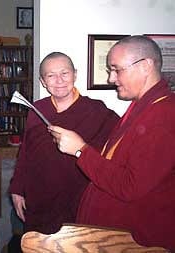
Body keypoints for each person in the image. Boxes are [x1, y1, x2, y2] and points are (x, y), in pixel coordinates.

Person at [49, 36, 175, 250]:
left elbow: (130, 186)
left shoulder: (164, 115)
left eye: (117, 70)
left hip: (137, 242)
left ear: (145, 66)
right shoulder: (143, 106)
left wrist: (81, 150)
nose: (111, 78)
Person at [9, 52, 119, 238]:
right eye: (51, 75)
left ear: (75, 75)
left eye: (64, 73)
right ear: (43, 81)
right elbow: (26, 152)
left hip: (77, 197)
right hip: (40, 196)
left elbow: (121, 143)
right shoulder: (37, 109)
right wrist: (17, 188)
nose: (59, 80)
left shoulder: (96, 110)